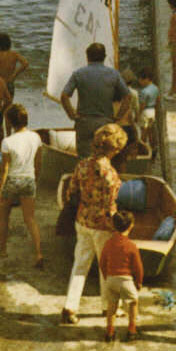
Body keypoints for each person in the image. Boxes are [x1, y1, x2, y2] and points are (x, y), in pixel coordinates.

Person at [61, 123, 127, 325]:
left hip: (82, 220)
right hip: (102, 225)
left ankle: (70, 306)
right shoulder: (110, 175)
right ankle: (108, 306)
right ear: (113, 149)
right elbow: (110, 206)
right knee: (105, 267)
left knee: (80, 265)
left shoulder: (82, 165)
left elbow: (71, 191)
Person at [60, 42, 131, 158]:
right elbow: (127, 97)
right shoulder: (114, 74)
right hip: (105, 122)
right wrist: (118, 116)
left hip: (84, 122)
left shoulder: (78, 74)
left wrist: (72, 115)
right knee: (104, 156)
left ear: (87, 57)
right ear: (104, 57)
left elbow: (64, 96)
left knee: (84, 159)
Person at [0, 104, 43, 267]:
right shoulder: (36, 137)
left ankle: (2, 249)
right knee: (30, 219)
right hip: (29, 179)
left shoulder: (7, 141)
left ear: (9, 122)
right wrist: (35, 178)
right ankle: (38, 253)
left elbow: (5, 168)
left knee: (3, 216)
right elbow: (38, 162)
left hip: (13, 180)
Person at [99, 210, 143, 342]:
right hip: (126, 280)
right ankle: (132, 329)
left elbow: (102, 262)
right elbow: (138, 267)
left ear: (113, 225)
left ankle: (110, 332)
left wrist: (107, 276)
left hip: (111, 279)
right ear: (131, 226)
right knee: (133, 302)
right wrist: (138, 282)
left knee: (111, 306)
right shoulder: (131, 246)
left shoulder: (108, 243)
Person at [0, 32, 28, 98]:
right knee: (9, 103)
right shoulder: (14, 54)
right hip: (9, 81)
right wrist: (14, 75)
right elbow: (25, 63)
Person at [137, 67, 159, 147]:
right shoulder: (156, 88)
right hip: (153, 111)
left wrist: (138, 115)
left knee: (144, 131)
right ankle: (154, 146)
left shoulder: (144, 91)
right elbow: (158, 100)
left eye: (141, 80)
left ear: (146, 79)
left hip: (145, 112)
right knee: (151, 131)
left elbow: (142, 105)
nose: (140, 82)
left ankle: (142, 147)